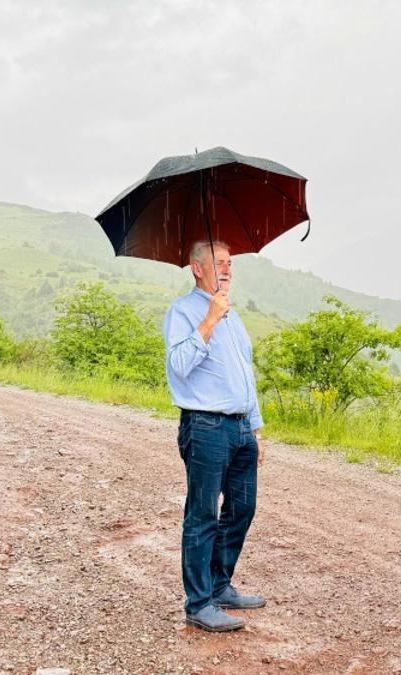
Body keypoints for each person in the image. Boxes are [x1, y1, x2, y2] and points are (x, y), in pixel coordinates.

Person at [162, 239, 266, 633]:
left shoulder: (233, 317)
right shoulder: (184, 311)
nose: (227, 269)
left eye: (230, 263)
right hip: (205, 426)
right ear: (197, 268)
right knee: (203, 514)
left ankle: (220, 586)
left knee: (242, 508)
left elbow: (244, 374)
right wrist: (208, 320)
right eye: (220, 263)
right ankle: (199, 603)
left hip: (240, 427)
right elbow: (179, 365)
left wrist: (255, 427)